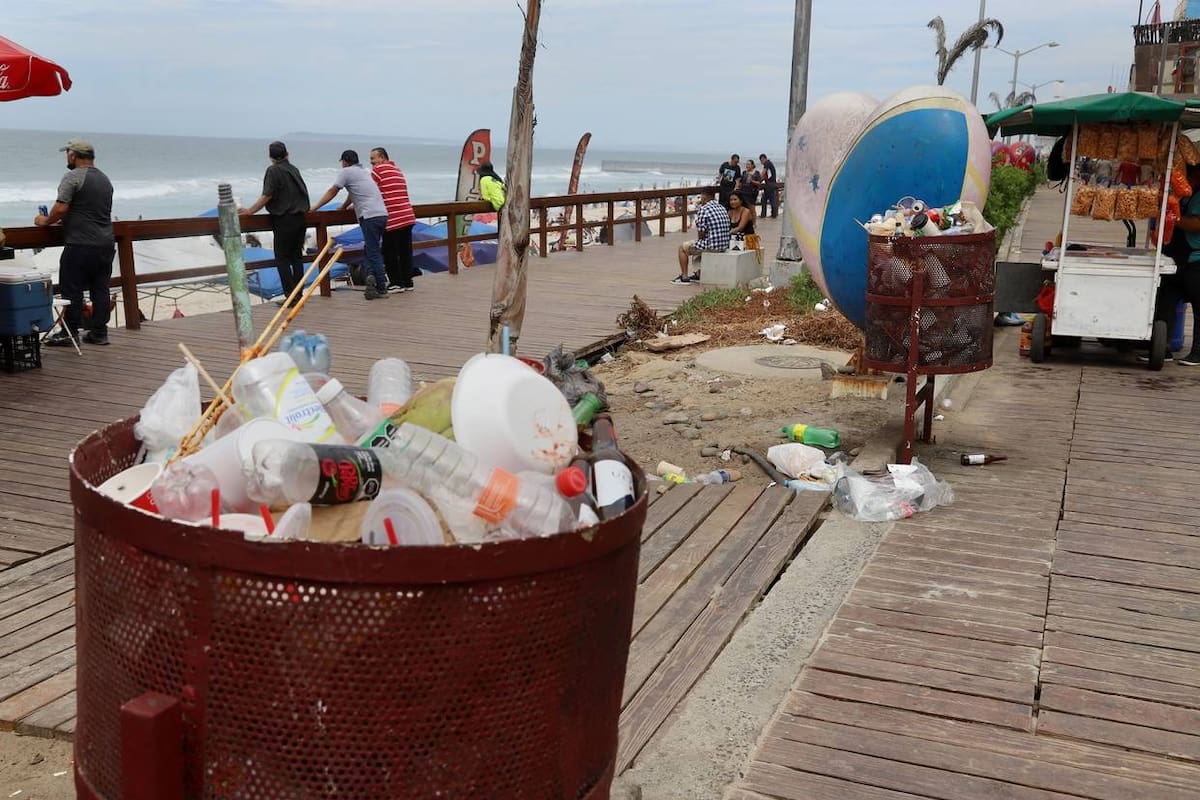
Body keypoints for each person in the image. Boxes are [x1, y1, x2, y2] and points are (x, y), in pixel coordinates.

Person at [38, 139, 115, 347]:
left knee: (71, 288)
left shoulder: (72, 177)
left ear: (73, 155)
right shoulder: (105, 180)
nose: (67, 157)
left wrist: (45, 221)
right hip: (106, 243)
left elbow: (61, 208)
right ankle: (99, 333)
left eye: (68, 154)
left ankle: (69, 333)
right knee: (100, 288)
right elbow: (90, 210)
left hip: (81, 244)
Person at [311, 150, 390, 300]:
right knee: (370, 249)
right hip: (382, 214)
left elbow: (333, 190)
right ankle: (370, 279)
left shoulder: (346, 172)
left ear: (345, 162)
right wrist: (343, 206)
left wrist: (315, 207)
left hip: (369, 216)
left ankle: (381, 288)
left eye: (342, 162)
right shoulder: (365, 171)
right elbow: (352, 192)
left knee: (373, 252)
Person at [239, 141, 310, 305]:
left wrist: (250, 211)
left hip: (284, 219)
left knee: (282, 258)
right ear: (287, 153)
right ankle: (298, 294)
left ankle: (290, 296)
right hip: (300, 218)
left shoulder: (273, 170)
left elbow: (267, 195)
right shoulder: (294, 169)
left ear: (270, 157)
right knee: (296, 257)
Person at [1150, 161, 1200, 365]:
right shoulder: (1181, 194)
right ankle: (1162, 347)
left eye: (1190, 173)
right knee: (1165, 301)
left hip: (1196, 260)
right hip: (1175, 259)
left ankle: (1198, 352)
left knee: (1199, 306)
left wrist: (1173, 217)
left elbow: (1196, 224)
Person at [369, 147, 417, 293]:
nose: (371, 162)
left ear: (382, 158)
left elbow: (369, 190)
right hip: (408, 215)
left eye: (373, 158)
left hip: (393, 217)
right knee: (405, 251)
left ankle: (396, 282)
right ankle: (408, 281)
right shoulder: (397, 170)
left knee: (389, 251)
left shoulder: (378, 171)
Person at [674, 186, 730, 284]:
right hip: (724, 244)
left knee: (682, 248)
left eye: (701, 196)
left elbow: (701, 232)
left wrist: (701, 239)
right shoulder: (722, 207)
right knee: (696, 246)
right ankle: (699, 274)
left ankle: (684, 276)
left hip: (713, 245)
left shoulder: (704, 209)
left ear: (704, 196)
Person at [758, 153, 779, 218]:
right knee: (765, 199)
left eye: (761, 160)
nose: (761, 162)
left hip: (770, 184)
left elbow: (763, 173)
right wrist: (760, 181)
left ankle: (771, 214)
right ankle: (770, 214)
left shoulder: (767, 163)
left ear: (764, 159)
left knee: (770, 199)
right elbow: (765, 176)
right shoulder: (769, 164)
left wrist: (758, 181)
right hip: (771, 184)